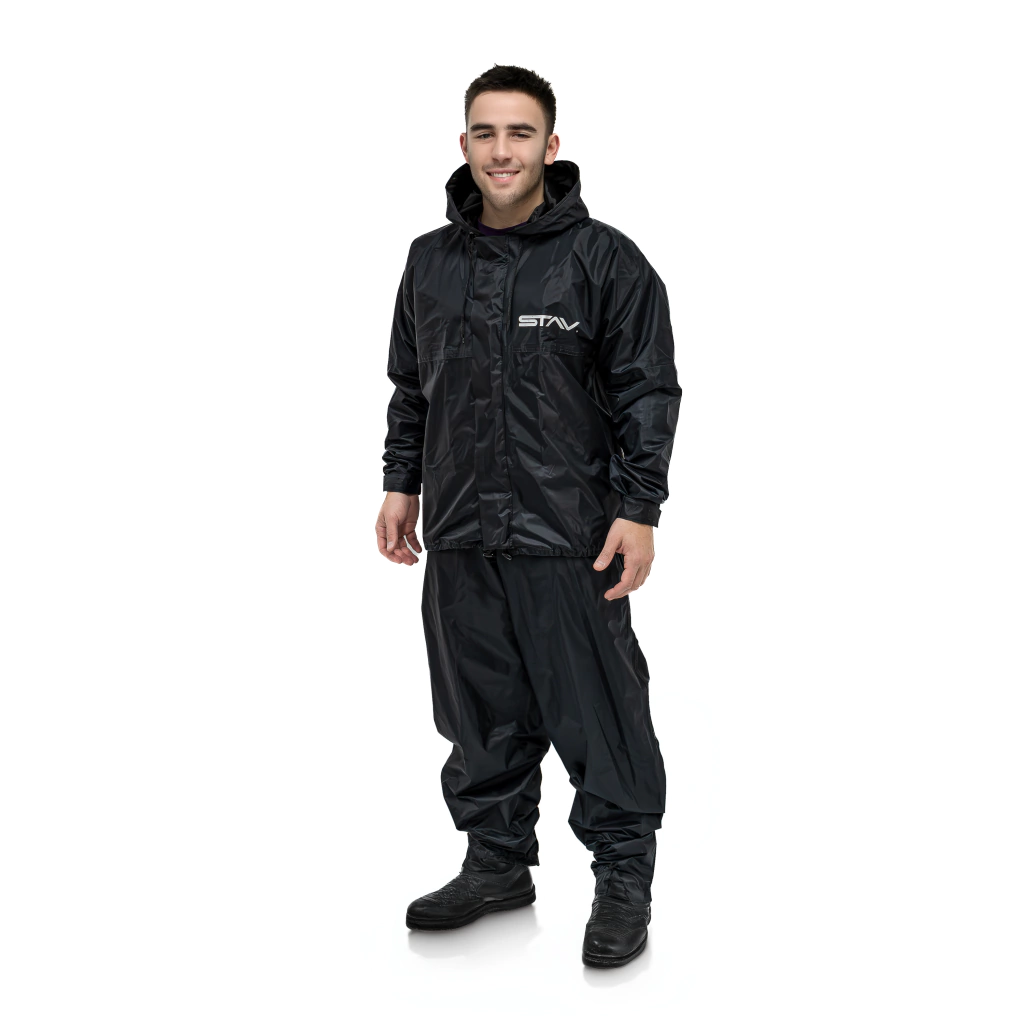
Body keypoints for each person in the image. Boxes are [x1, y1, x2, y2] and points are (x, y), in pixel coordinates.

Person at [376, 64, 681, 969]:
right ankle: (497, 863)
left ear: (550, 146)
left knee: (599, 713)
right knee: (478, 714)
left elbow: (647, 391)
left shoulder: (604, 260)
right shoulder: (429, 261)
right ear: (463, 144)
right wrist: (401, 483)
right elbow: (411, 387)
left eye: (519, 133)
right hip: (462, 532)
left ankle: (623, 880)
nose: (500, 150)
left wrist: (640, 507)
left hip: (569, 535)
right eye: (485, 132)